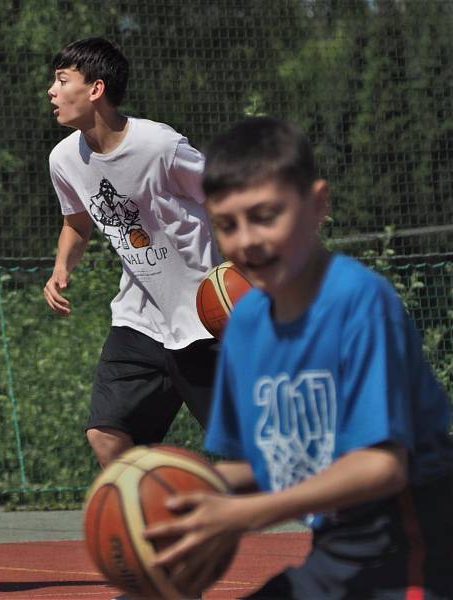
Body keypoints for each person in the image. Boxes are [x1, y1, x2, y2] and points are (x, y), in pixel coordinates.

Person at [145, 116, 453, 598]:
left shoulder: (359, 302)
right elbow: (273, 464)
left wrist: (245, 513)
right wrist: (176, 488)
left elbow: (382, 466)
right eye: (226, 224)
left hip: (416, 559)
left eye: (265, 215)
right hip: (336, 557)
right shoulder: (243, 327)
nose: (246, 239)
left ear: (316, 204)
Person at [43, 37, 220, 468]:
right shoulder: (64, 159)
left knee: (252, 451)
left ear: (96, 90)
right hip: (138, 318)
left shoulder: (161, 146)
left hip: (205, 316)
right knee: (106, 435)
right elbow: (76, 223)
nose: (51, 90)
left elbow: (224, 198)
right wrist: (61, 267)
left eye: (62, 80)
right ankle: (154, 529)